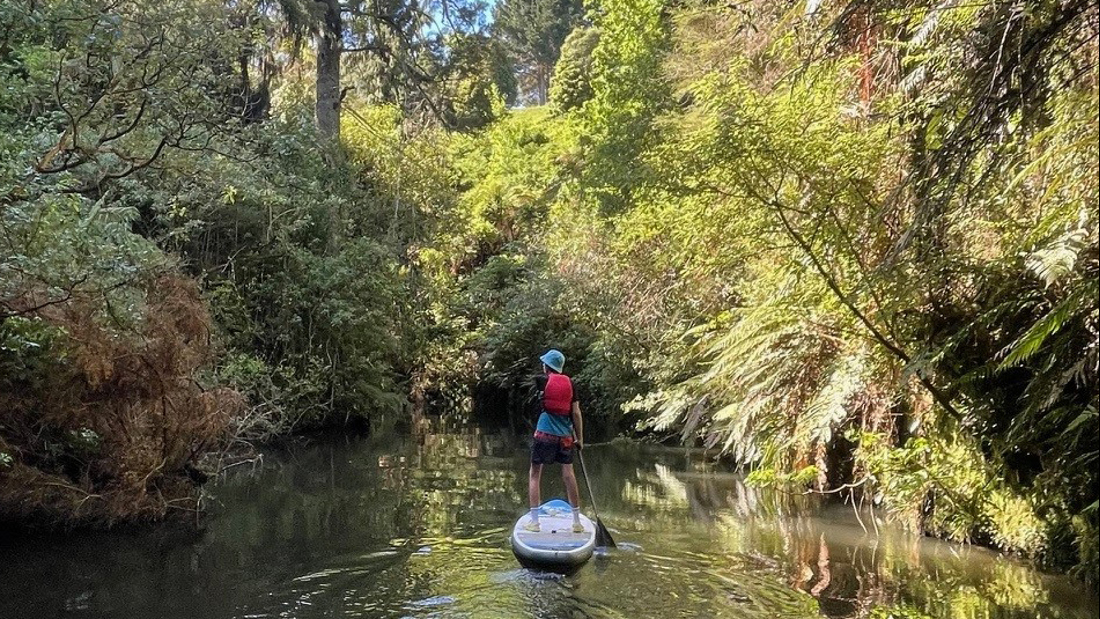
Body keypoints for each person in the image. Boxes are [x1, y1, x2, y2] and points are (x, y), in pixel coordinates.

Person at [525, 349, 585, 533]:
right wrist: (580, 438)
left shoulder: (542, 381)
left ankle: (535, 522)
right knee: (568, 474)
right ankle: (576, 522)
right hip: (565, 436)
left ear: (547, 366)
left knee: (535, 474)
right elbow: (575, 412)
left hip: (544, 434)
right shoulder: (571, 383)